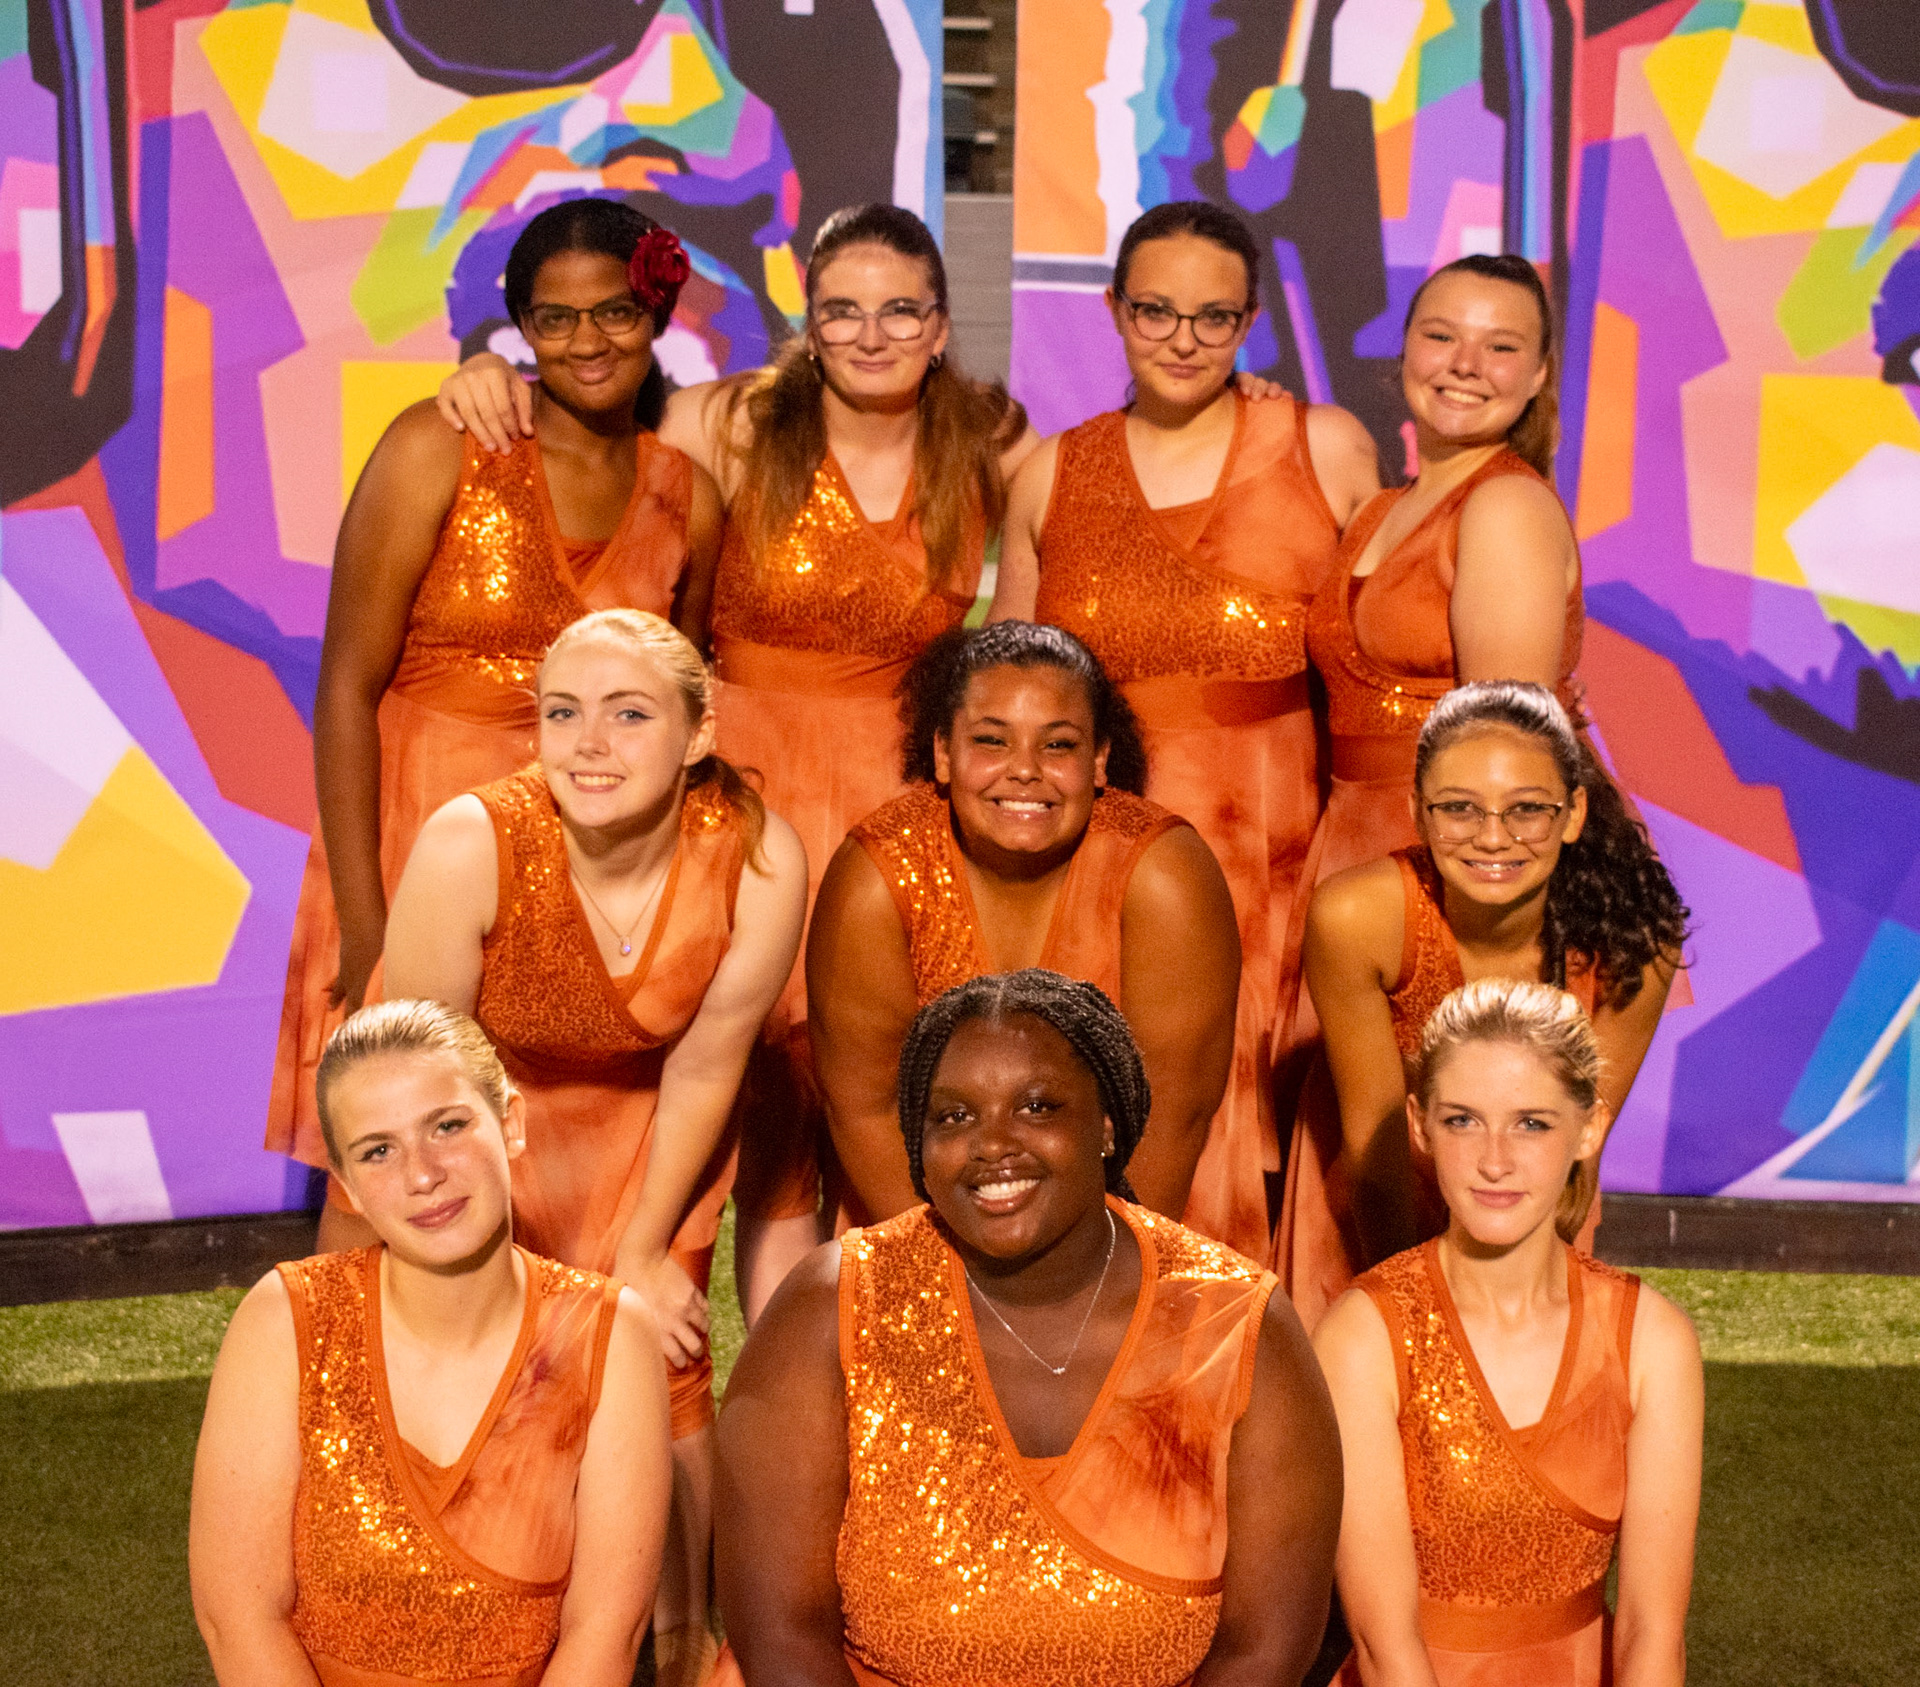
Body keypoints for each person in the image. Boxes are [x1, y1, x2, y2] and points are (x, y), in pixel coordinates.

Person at [436, 203, 1035, 1319]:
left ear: (942, 324)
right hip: (744, 809)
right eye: (842, 310)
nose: (870, 334)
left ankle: (909, 1361)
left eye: (900, 311)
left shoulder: (995, 446)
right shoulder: (732, 423)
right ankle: (777, 1381)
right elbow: (592, 403)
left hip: (899, 821)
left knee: (883, 1103)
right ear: (808, 320)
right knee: (763, 1121)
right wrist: (489, 377)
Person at [268, 198, 723, 1237]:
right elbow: (345, 687)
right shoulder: (439, 447)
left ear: (655, 315)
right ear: (522, 327)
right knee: (389, 1170)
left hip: (582, 870)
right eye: (555, 319)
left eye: (614, 312)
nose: (586, 341)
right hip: (413, 845)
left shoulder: (687, 497)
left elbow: (679, 715)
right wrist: (366, 923)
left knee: (540, 1178)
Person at [381, 608, 807, 1687]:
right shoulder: (470, 843)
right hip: (479, 1143)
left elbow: (707, 1064)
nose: (589, 744)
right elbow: (423, 1083)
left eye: (628, 714)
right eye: (563, 713)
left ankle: (672, 1643)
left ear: (698, 732)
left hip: (653, 1139)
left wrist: (643, 1247)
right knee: (493, 1375)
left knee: (659, 1360)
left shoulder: (758, 858)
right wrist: (487, 1241)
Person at [715, 970, 1344, 1687]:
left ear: (1105, 1125)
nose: (992, 1144)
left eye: (1037, 1106)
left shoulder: (1238, 1323)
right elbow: (780, 1630)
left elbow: (1265, 1649)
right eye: (953, 1116)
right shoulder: (830, 1309)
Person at [991, 200, 1381, 1259]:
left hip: (1282, 867)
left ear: (1249, 323)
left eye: (1214, 317)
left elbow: (1386, 649)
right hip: (1100, 867)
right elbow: (1005, 698)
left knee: (1273, 1142)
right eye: (1156, 311)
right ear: (1116, 310)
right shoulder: (1051, 473)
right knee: (1112, 1120)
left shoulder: (1325, 449)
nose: (1182, 339)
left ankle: (1251, 1356)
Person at [192, 1000, 669, 1687]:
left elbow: (607, 1631)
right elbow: (237, 1617)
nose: (423, 1175)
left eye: (447, 1126)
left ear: (510, 1123)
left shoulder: (611, 1336)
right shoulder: (283, 1324)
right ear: (348, 1185)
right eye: (378, 1151)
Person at [1314, 979, 1701, 1685]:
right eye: (1463, 1120)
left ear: (1589, 1128)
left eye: (1532, 1124)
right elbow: (1383, 1644)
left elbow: (1653, 1635)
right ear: (1419, 1125)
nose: (1495, 1160)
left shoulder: (1654, 1340)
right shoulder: (1362, 1337)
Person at [806, 621, 1242, 1233]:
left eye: (1058, 745)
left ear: (1099, 760)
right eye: (992, 741)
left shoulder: (1164, 876)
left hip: (1135, 1221)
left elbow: (1175, 1117)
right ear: (942, 754)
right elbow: (864, 1111)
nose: (1025, 771)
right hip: (922, 1217)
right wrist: (950, 1263)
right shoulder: (874, 879)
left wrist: (1100, 1268)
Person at [1278, 683, 1686, 1328]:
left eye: (1527, 810)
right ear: (1418, 812)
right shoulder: (1356, 917)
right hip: (1369, 1218)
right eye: (1460, 809)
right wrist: (1414, 1314)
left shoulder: (1636, 944)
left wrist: (1506, 1308)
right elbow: (1376, 1158)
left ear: (1573, 813)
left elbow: (1575, 1159)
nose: (1493, 838)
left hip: (1536, 1217)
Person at [1299, 253, 1583, 895]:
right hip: (1352, 847)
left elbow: (1506, 761)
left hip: (1456, 871)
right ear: (1405, 349)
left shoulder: (1506, 506)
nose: (1466, 364)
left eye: (1500, 347)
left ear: (1539, 374)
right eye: (1441, 336)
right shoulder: (1378, 510)